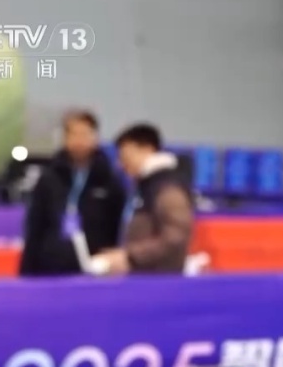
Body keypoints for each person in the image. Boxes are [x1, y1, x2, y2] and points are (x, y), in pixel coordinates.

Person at [19, 110, 127, 276]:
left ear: (95, 137)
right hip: (51, 267)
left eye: (84, 134)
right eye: (73, 134)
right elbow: (35, 227)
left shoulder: (109, 181)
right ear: (65, 138)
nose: (79, 141)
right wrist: (26, 271)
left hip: (96, 267)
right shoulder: (49, 178)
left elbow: (117, 227)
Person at [89, 123, 193, 275]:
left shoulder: (166, 188)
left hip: (158, 282)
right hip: (142, 277)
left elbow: (176, 237)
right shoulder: (145, 187)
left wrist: (130, 256)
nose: (121, 164)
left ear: (146, 149)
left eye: (125, 156)